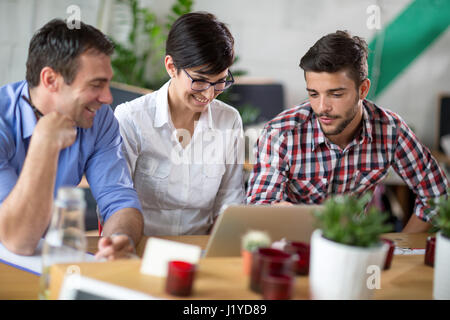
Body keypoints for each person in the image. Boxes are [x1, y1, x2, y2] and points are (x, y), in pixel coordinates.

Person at [246, 30, 449, 233]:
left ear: (363, 90)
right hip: (291, 246)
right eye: (314, 94)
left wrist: (401, 247)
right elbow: (260, 206)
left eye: (336, 94)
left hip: (352, 245)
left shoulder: (391, 130)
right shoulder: (280, 133)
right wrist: (277, 211)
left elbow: (436, 195)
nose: (322, 107)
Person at [0, 19, 143, 259]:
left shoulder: (99, 118)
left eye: (107, 84)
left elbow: (119, 200)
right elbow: (18, 240)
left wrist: (120, 238)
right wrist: (44, 142)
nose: (108, 98)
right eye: (96, 85)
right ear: (50, 80)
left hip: (42, 256)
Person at [115, 12, 244, 236]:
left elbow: (230, 202)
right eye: (200, 80)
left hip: (201, 250)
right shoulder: (132, 118)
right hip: (140, 246)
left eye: (220, 81)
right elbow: (116, 201)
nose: (209, 93)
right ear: (171, 66)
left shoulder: (229, 120)